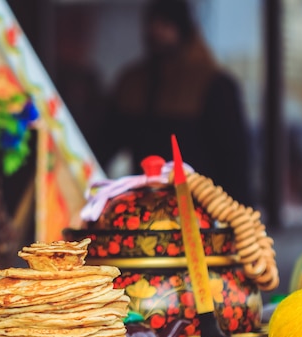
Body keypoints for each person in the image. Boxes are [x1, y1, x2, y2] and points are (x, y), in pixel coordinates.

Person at [96, 0, 254, 206]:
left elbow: (234, 163)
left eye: (166, 24)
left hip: (202, 210)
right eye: (153, 24)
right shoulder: (135, 84)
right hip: (147, 207)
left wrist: (236, 218)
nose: (157, 32)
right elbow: (106, 143)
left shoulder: (213, 85)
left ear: (183, 29)